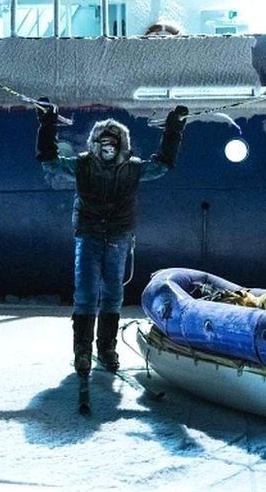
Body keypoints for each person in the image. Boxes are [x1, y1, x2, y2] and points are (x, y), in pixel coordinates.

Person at [35, 101, 188, 376]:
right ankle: (82, 351)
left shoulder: (133, 168)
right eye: (103, 142)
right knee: (85, 294)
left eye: (112, 143)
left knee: (113, 295)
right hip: (89, 236)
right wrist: (47, 125)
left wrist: (174, 129)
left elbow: (163, 164)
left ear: (121, 144)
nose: (108, 147)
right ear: (96, 143)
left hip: (118, 237)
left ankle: (107, 349)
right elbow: (49, 160)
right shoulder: (82, 165)